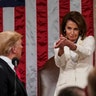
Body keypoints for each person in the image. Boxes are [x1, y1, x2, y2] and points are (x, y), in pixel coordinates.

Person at [54, 11, 95, 96]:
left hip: (84, 88)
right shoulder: (59, 43)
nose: (72, 33)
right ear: (64, 29)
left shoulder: (89, 40)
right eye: (69, 28)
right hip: (65, 89)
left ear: (80, 30)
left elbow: (86, 52)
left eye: (75, 29)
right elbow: (59, 64)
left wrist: (69, 44)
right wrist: (61, 49)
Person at [0, 31, 28, 96]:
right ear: (14, 49)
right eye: (20, 44)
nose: (22, 47)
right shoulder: (1, 70)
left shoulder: (7, 68)